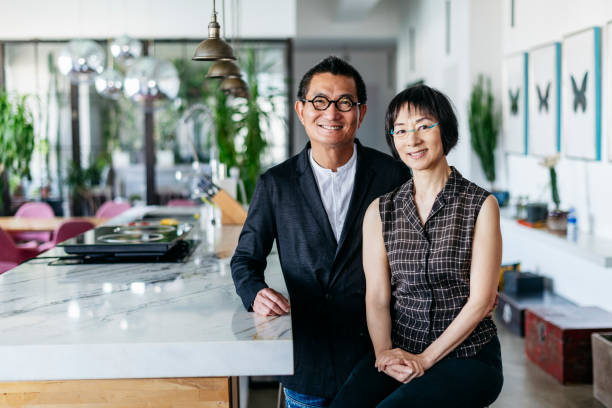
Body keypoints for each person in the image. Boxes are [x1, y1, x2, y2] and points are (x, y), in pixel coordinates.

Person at [230, 56, 411, 407]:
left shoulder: (393, 176)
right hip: (308, 360)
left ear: (361, 113)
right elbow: (245, 260)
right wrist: (255, 292)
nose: (332, 113)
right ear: (301, 110)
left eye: (345, 102)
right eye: (320, 101)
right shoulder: (276, 184)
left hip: (379, 356)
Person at [330, 85, 504, 408]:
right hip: (400, 350)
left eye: (424, 125)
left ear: (445, 130)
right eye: (401, 130)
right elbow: (378, 297)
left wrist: (424, 360)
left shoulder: (481, 205)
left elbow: (481, 302)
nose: (412, 139)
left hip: (468, 356)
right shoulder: (380, 211)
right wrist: (383, 352)